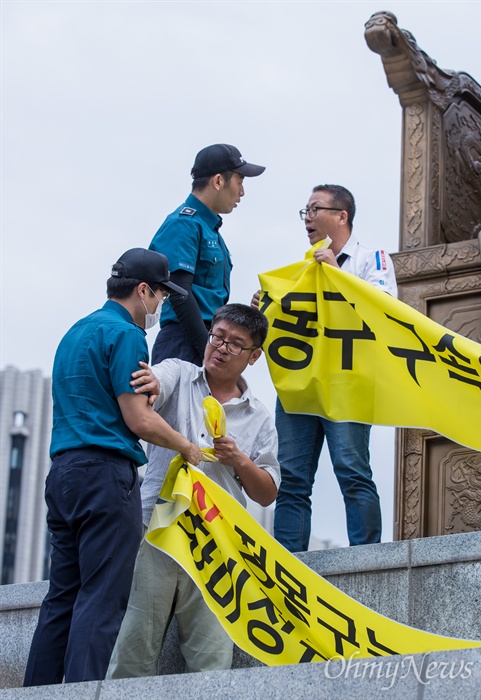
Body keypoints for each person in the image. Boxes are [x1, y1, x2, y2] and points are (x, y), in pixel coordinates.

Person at [23, 248, 203, 687]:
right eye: (159, 296)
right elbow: (137, 418)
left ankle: (37, 693)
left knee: (61, 598)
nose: (159, 306)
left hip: (63, 474)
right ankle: (85, 693)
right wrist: (186, 446)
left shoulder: (75, 332)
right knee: (103, 598)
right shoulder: (126, 335)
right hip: (105, 475)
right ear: (143, 290)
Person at [106, 303, 280, 678]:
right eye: (217, 336)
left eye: (236, 344)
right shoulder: (180, 374)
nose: (220, 347)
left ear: (254, 356)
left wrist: (240, 461)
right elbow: (156, 380)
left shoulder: (259, 417)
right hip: (157, 530)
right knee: (134, 646)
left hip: (218, 545)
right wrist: (151, 383)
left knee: (211, 660)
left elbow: (267, 492)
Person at [258, 184, 397, 552]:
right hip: (300, 387)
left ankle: (367, 558)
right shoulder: (302, 270)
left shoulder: (373, 258)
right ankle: (290, 562)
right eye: (304, 211)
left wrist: (338, 275)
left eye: (314, 209)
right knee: (291, 480)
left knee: (352, 470)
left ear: (341, 216)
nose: (307, 219)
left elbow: (384, 309)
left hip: (346, 383)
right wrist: (265, 307)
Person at [149, 143, 265, 366]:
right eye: (240, 182)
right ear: (219, 181)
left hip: (206, 339)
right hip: (185, 343)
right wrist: (208, 351)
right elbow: (180, 293)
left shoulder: (209, 229)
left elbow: (208, 300)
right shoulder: (184, 223)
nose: (242, 192)